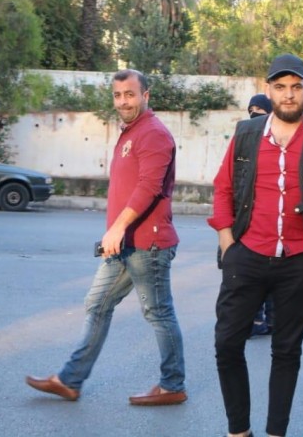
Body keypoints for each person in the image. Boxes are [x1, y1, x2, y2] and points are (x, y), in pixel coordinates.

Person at [210, 54, 303, 437]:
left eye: (295, 87)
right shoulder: (247, 133)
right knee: (227, 344)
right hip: (246, 255)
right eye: (280, 87)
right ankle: (238, 431)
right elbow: (223, 187)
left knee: (287, 352)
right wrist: (227, 241)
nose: (288, 94)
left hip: (300, 261)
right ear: (269, 90)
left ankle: (276, 432)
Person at [26, 69, 187, 405]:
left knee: (158, 313)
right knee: (97, 304)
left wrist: (117, 226)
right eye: (117, 95)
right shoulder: (132, 132)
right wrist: (116, 232)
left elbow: (149, 187)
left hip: (147, 244)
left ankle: (173, 385)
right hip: (124, 244)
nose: (123, 101)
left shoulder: (153, 133)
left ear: (145, 96)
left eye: (130, 94)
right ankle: (70, 380)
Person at [245, 93, 275, 338]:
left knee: (270, 275)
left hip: (272, 217)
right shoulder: (245, 137)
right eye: (251, 110)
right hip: (248, 217)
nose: (254, 114)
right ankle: (257, 320)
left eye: (259, 110)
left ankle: (270, 320)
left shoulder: (276, 138)